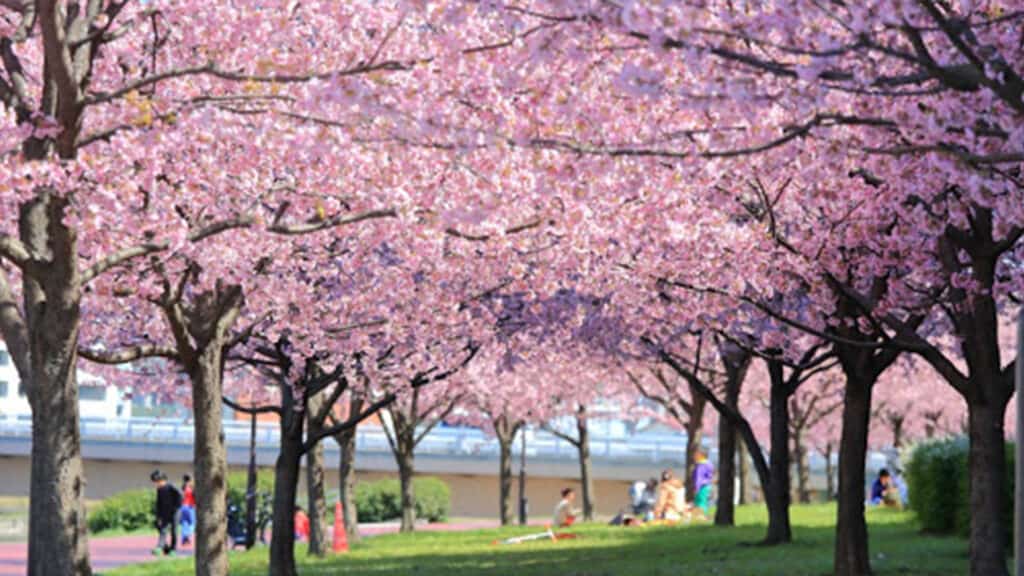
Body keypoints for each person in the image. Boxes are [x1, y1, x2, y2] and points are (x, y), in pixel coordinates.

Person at [151, 470, 182, 556]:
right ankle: (160, 547)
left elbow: (180, 495)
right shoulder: (159, 490)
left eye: (157, 481)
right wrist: (158, 516)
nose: (156, 484)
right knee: (163, 530)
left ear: (163, 480)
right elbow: (159, 503)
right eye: (155, 482)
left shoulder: (171, 487)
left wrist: (176, 507)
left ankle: (173, 549)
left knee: (174, 531)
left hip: (175, 512)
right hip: (165, 512)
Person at [692, 450, 715, 518]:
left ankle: (700, 517)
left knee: (700, 502)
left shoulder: (701, 465)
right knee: (704, 502)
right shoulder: (709, 463)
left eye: (696, 455)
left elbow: (699, 478)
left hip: (702, 486)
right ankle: (702, 516)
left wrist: (696, 488)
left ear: (701, 456)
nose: (694, 456)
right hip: (707, 485)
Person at [179, 474, 196, 546]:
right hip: (190, 506)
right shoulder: (192, 488)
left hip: (182, 507)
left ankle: (184, 538)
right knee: (193, 523)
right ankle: (187, 535)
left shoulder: (182, 488)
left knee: (184, 523)